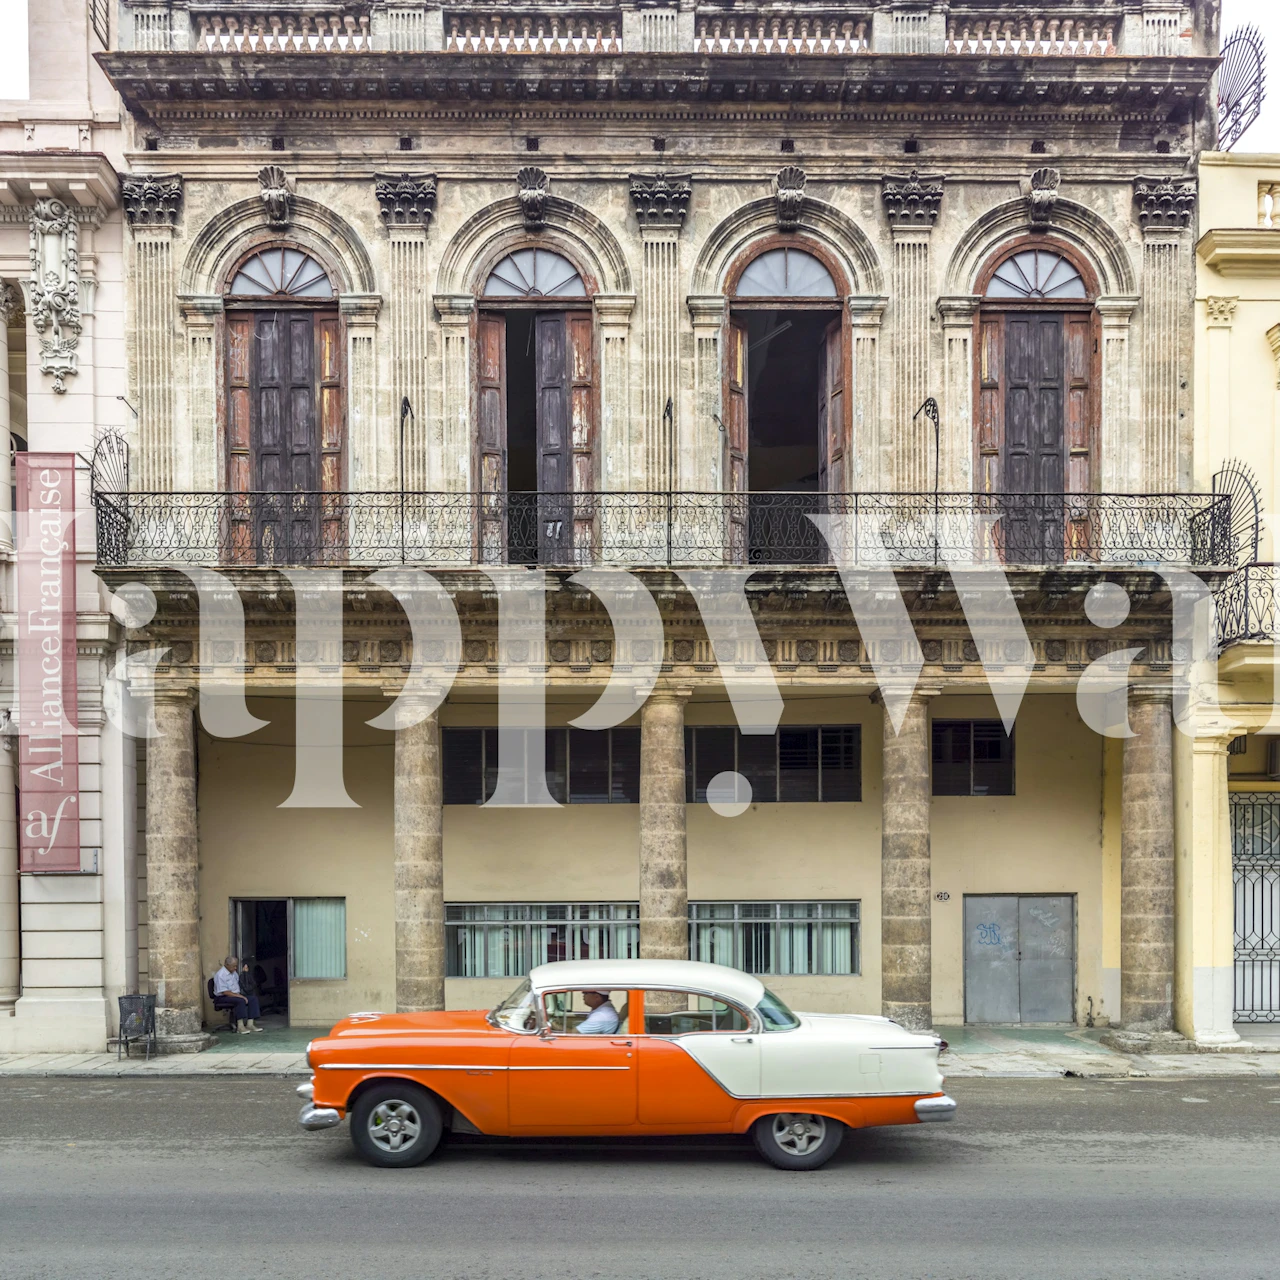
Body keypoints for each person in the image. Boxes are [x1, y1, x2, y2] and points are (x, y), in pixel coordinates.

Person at [212, 956, 265, 1033]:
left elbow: (240, 983)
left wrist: (245, 974)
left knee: (253, 999)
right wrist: (240, 996)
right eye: (233, 966)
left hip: (235, 994)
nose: (235, 968)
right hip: (223, 997)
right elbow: (225, 992)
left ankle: (250, 1024)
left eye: (236, 966)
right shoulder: (220, 975)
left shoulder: (234, 973)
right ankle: (240, 1026)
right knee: (240, 1000)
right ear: (227, 965)